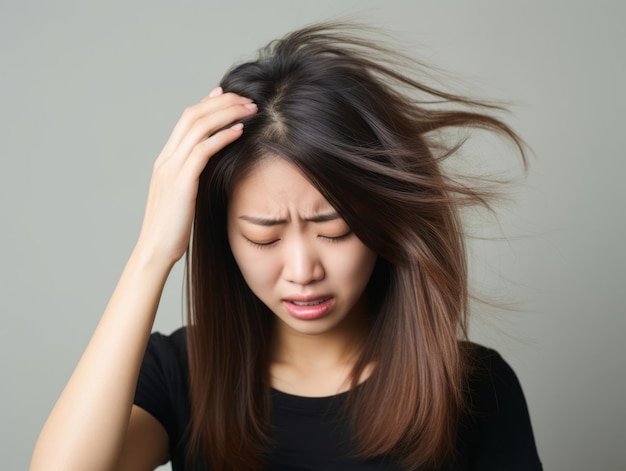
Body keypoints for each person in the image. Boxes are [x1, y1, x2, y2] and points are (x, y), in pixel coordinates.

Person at [30, 23, 542, 471]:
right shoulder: (180, 374)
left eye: (334, 231)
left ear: (382, 220)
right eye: (264, 237)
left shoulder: (474, 388)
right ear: (225, 235)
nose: (301, 270)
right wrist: (152, 252)